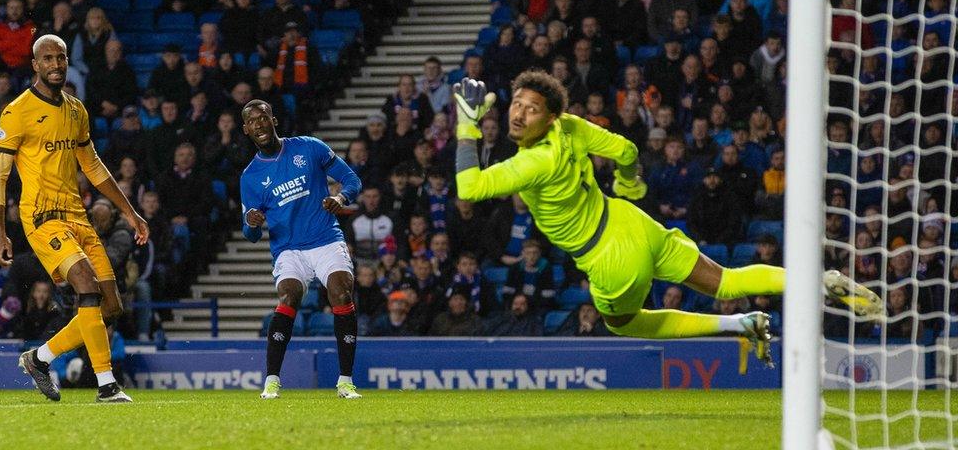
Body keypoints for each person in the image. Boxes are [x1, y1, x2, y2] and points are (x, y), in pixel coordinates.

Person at [450, 73, 883, 366]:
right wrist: (629, 183)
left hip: (609, 257)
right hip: (631, 220)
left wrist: (466, 126)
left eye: (532, 108)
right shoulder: (572, 127)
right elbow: (626, 151)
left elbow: (468, 189)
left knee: (625, 323)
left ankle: (732, 324)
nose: (519, 113)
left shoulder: (532, 163)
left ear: (549, 116)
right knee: (727, 282)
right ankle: (818, 282)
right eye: (518, 104)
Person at [0, 34, 148, 402]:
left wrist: (129, 211)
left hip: (77, 214)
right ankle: (107, 384)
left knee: (111, 306)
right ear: (35, 65)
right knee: (85, 285)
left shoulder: (76, 109)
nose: (56, 65)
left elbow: (92, 166)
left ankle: (40, 358)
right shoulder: (17, 112)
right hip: (42, 217)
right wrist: (0, 234)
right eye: (48, 59)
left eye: (61, 58)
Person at [239, 99, 363, 399]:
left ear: (274, 121)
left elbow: (352, 180)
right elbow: (250, 235)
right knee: (289, 296)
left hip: (325, 239)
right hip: (288, 249)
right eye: (252, 121)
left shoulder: (309, 147)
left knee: (341, 291)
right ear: (246, 130)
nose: (259, 124)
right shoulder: (250, 176)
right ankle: (271, 382)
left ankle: (345, 382)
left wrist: (341, 199)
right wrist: (252, 222)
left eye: (263, 117)